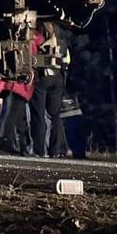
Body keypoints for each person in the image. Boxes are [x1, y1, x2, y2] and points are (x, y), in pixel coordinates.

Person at [31, 20, 69, 158]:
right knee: (55, 116)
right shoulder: (62, 43)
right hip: (58, 79)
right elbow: (67, 62)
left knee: (39, 115)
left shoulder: (39, 41)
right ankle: (56, 150)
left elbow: (33, 60)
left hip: (42, 79)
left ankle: (39, 150)